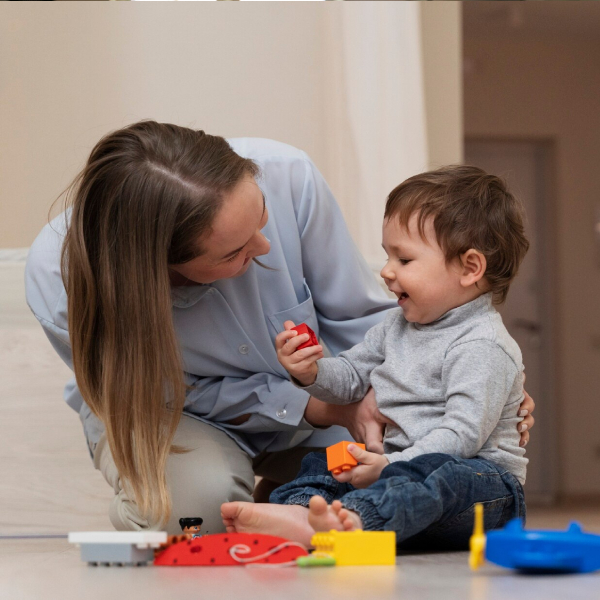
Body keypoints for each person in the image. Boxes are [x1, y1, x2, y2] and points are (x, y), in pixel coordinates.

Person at [25, 122, 535, 536]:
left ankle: (293, 508)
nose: (265, 248)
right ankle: (227, 509)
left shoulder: (287, 173)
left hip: (351, 415)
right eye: (235, 252)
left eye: (262, 218)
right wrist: (321, 400)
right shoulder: (61, 283)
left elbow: (368, 323)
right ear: (163, 267)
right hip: (170, 410)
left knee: (374, 474)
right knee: (191, 518)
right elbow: (161, 396)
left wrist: (463, 390)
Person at [221, 166, 529, 551]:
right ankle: (303, 512)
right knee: (325, 463)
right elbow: (351, 376)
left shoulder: (482, 344)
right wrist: (311, 371)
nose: (386, 271)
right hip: (398, 468)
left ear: (469, 268)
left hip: (482, 485)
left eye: (404, 260)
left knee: (442, 479)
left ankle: (354, 522)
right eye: (388, 256)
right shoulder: (396, 325)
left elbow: (461, 436)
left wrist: (391, 467)